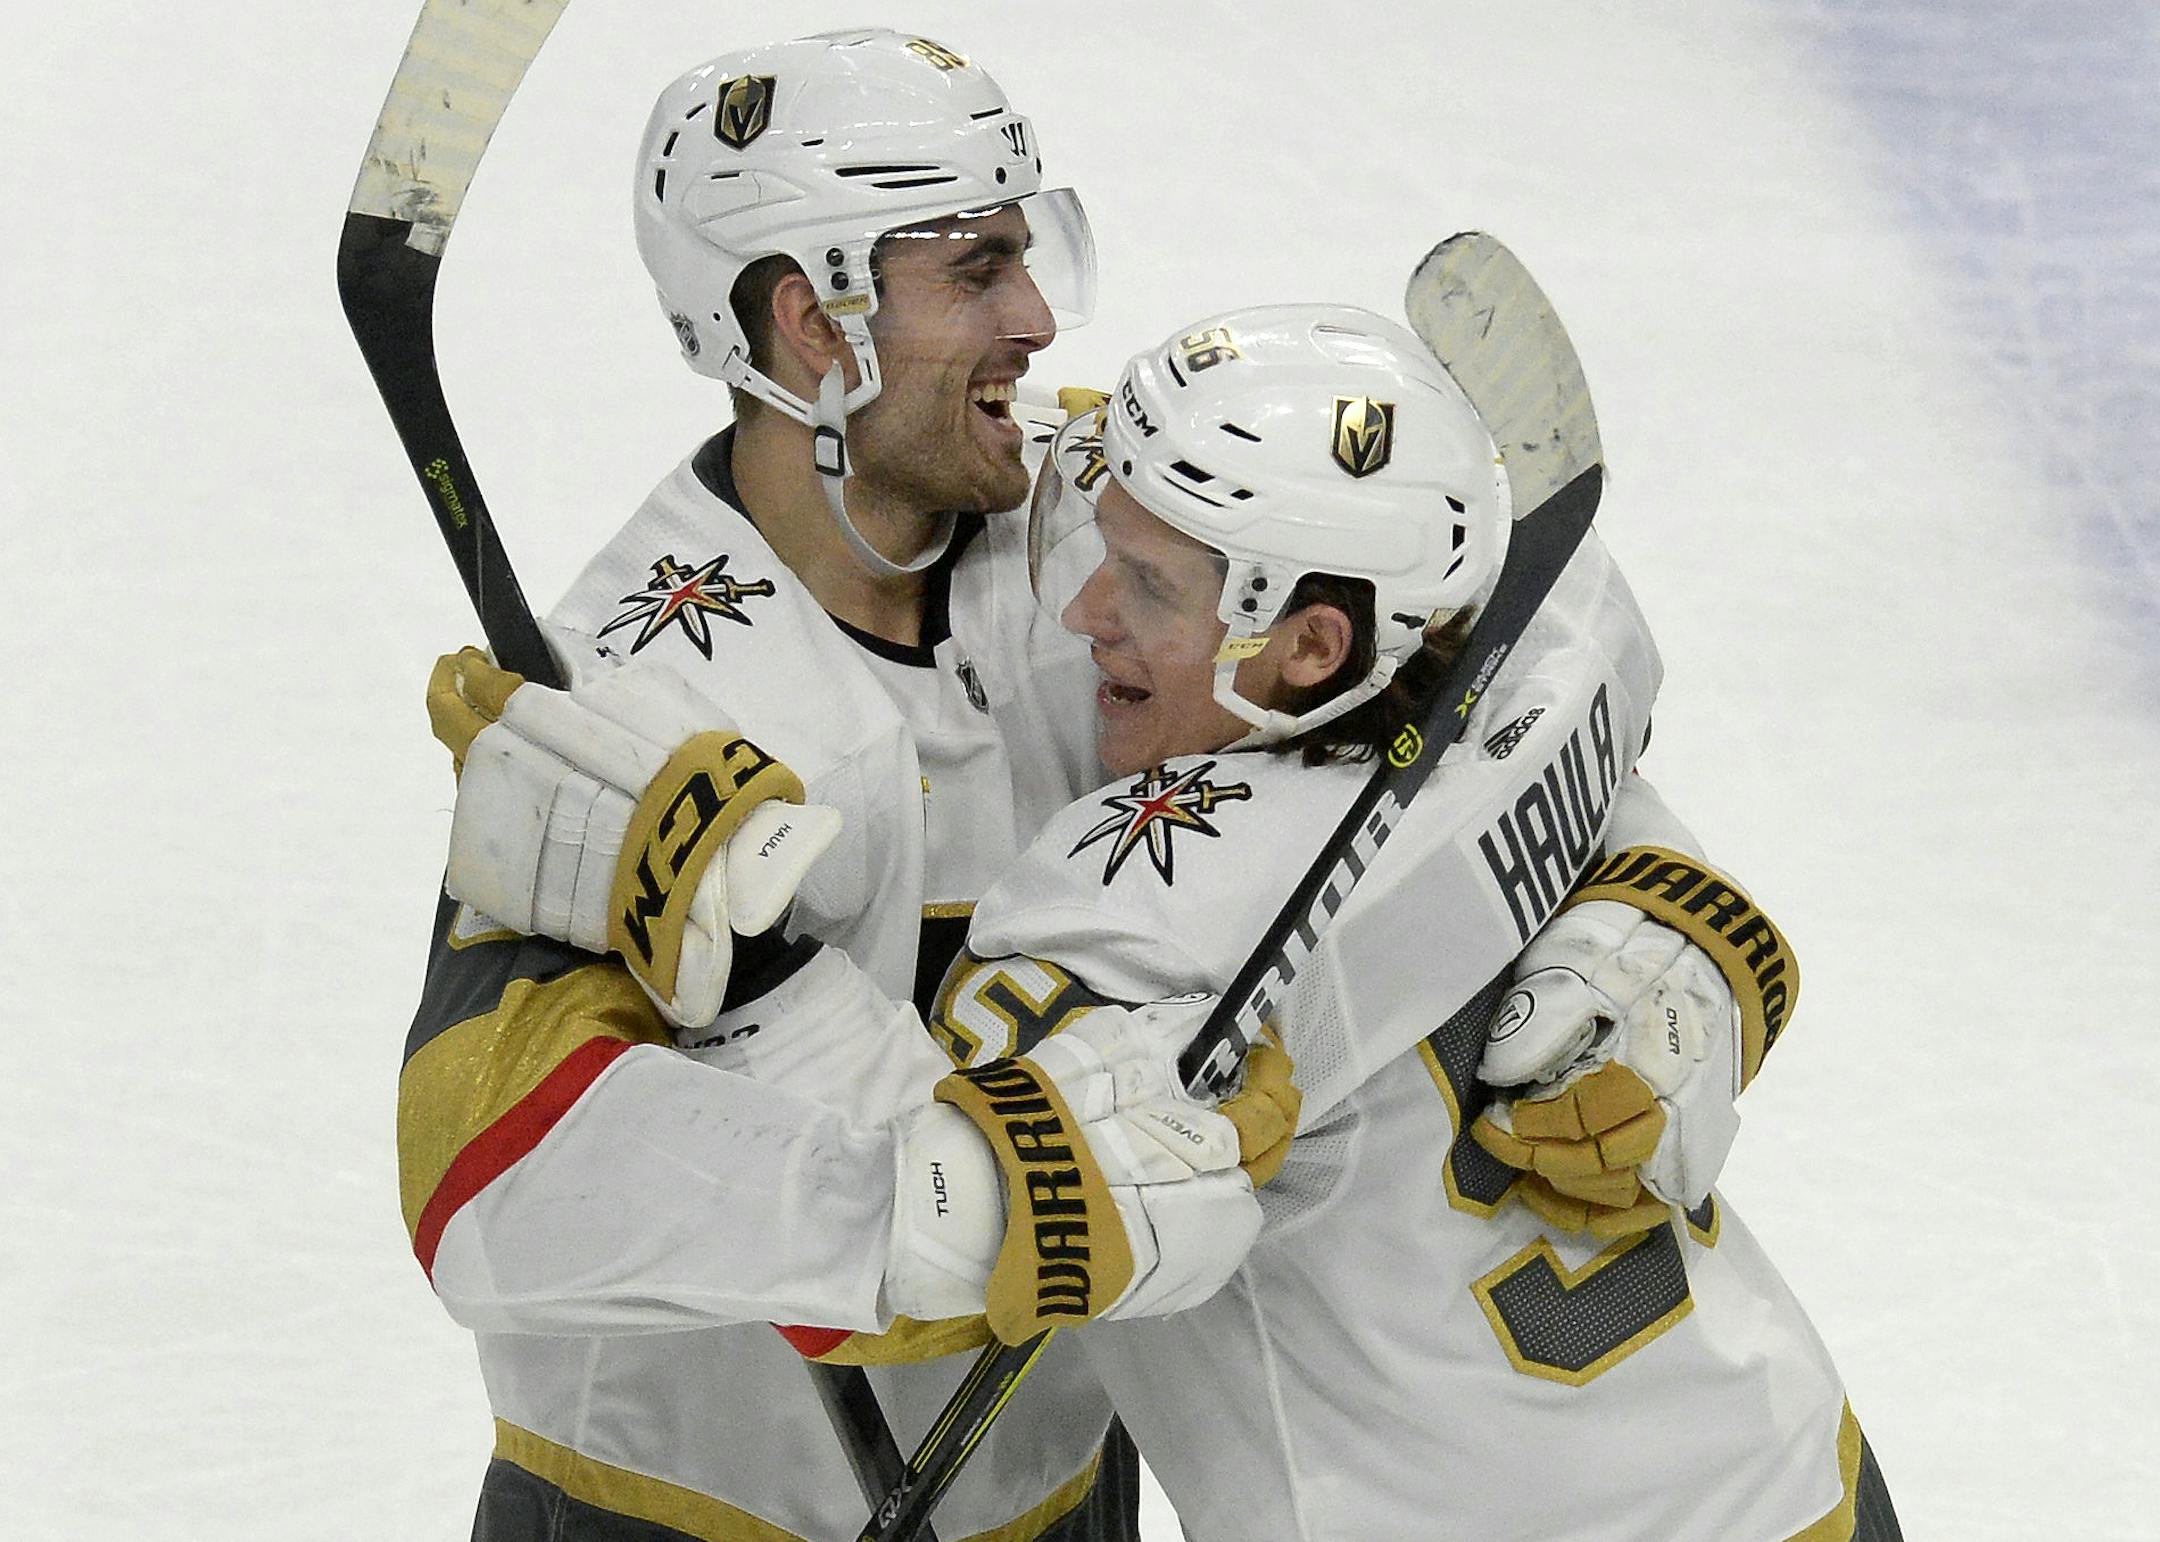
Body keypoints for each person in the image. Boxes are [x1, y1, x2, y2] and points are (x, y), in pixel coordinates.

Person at [441, 301, 1901, 1539]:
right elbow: (1582, 624)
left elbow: (946, 1208)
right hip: (1791, 1471)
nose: (1083, 613)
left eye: (1146, 582)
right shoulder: (1512, 704)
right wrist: (1670, 908)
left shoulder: (1131, 893)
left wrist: (723, 926)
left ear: (1310, 640)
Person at [400, 29, 1184, 1541]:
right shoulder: (638, 710)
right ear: (815, 324)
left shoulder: (1099, 538)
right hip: (683, 1517)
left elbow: (1458, 591)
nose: (1034, 319)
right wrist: (925, 1218)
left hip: (1063, 1492)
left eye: (1029, 254)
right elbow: (482, 1177)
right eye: (976, 271)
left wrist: (1635, 903)